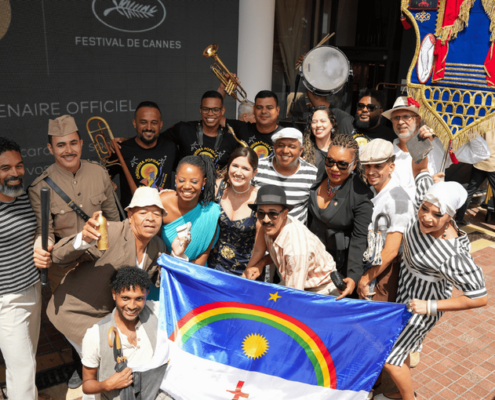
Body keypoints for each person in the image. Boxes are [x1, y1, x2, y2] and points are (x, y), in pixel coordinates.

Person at [375, 139, 488, 400]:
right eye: (424, 209)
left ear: (450, 217)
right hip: (404, 289)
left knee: (391, 358)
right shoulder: (425, 198)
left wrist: (430, 306)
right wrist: (420, 137)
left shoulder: (453, 255)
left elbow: (479, 297)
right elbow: (419, 167)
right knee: (399, 346)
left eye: (437, 215)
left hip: (423, 305)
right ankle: (400, 389)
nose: (426, 216)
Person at [28, 114, 120, 389]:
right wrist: (41, 244)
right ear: (50, 148)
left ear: (81, 143)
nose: (68, 150)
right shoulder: (40, 186)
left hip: (101, 260)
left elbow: (114, 218)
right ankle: (82, 366)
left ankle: (112, 364)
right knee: (74, 321)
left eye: (72, 143)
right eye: (60, 145)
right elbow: (44, 231)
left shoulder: (98, 173)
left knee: (107, 313)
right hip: (65, 266)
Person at [45, 187, 168, 368]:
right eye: (143, 213)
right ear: (130, 215)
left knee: (111, 366)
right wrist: (83, 239)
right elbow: (58, 256)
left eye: (157, 214)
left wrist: (178, 257)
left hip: (111, 316)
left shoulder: (157, 245)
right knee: (103, 367)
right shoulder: (110, 233)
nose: (151, 218)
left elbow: (156, 278)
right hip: (78, 313)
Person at [0, 137, 53, 400]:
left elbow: (40, 231)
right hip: (7, 300)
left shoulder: (23, 197)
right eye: (5, 168)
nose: (15, 172)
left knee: (27, 358)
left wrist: (41, 244)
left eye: (19, 165)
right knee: (22, 368)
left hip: (32, 288)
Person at [82, 267, 172, 400]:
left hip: (156, 393)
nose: (131, 306)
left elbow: (182, 300)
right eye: (125, 298)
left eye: (139, 298)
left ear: (147, 294)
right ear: (114, 294)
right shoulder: (95, 335)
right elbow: (87, 385)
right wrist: (107, 384)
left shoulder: (155, 311)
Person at [242, 185, 340, 296]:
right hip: (298, 282)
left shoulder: (296, 250)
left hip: (321, 291)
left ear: (285, 214)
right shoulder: (274, 226)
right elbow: (278, 252)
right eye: (261, 213)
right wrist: (260, 264)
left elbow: (293, 296)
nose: (266, 219)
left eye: (273, 213)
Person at [307, 134, 373, 298]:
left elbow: (359, 238)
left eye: (342, 164)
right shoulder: (321, 173)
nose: (334, 168)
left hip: (337, 268)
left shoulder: (361, 194)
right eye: (330, 161)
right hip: (310, 260)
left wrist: (353, 277)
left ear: (354, 165)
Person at [357, 139, 414, 303]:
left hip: (384, 272)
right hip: (371, 264)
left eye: (378, 166)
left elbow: (391, 251)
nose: (371, 171)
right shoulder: (372, 190)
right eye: (367, 166)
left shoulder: (399, 200)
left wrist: (366, 278)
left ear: (391, 167)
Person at [108, 101, 177, 208]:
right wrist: (108, 185)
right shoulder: (121, 149)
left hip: (164, 214)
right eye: (143, 122)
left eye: (154, 123)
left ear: (160, 125)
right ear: (134, 123)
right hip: (131, 215)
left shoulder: (170, 147)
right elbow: (104, 178)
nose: (149, 127)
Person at [207, 147, 261, 276]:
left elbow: (259, 249)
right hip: (213, 266)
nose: (238, 172)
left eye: (245, 168)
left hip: (244, 271)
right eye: (235, 166)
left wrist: (246, 274)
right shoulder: (217, 188)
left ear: (254, 172)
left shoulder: (259, 201)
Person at [159, 155, 220, 265]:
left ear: (204, 182)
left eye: (194, 182)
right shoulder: (162, 203)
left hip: (194, 271)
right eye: (182, 180)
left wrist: (184, 271)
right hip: (163, 266)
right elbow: (154, 244)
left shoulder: (211, 212)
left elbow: (204, 254)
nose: (187, 186)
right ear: (176, 179)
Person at [382, 96, 445, 200]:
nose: (400, 122)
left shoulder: (436, 145)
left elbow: (475, 153)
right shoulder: (386, 155)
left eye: (406, 116)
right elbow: (389, 195)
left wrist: (440, 133)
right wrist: (427, 184)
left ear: (418, 119)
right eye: (396, 118)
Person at [161, 91, 241, 171]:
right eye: (205, 109)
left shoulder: (232, 138)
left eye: (215, 110)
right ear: (200, 109)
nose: (210, 114)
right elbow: (158, 142)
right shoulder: (183, 129)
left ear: (222, 110)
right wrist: (176, 165)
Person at [253, 128, 318, 224]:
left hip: (294, 232)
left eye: (292, 146)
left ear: (300, 151)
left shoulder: (312, 173)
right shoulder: (258, 167)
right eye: (281, 145)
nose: (285, 150)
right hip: (261, 229)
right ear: (274, 147)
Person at [226, 90, 283, 159]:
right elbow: (216, 117)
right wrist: (222, 88)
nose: (264, 111)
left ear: (277, 110)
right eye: (259, 108)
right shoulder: (243, 128)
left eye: (269, 108)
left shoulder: (286, 135)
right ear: (254, 110)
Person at [455, 130, 495, 225]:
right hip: (493, 164)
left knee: (469, 192)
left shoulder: (482, 122)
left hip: (479, 162)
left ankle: (458, 219)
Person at [303, 105, 339, 180]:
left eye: (323, 121)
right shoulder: (303, 150)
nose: (318, 125)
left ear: (332, 123)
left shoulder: (340, 149)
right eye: (314, 122)